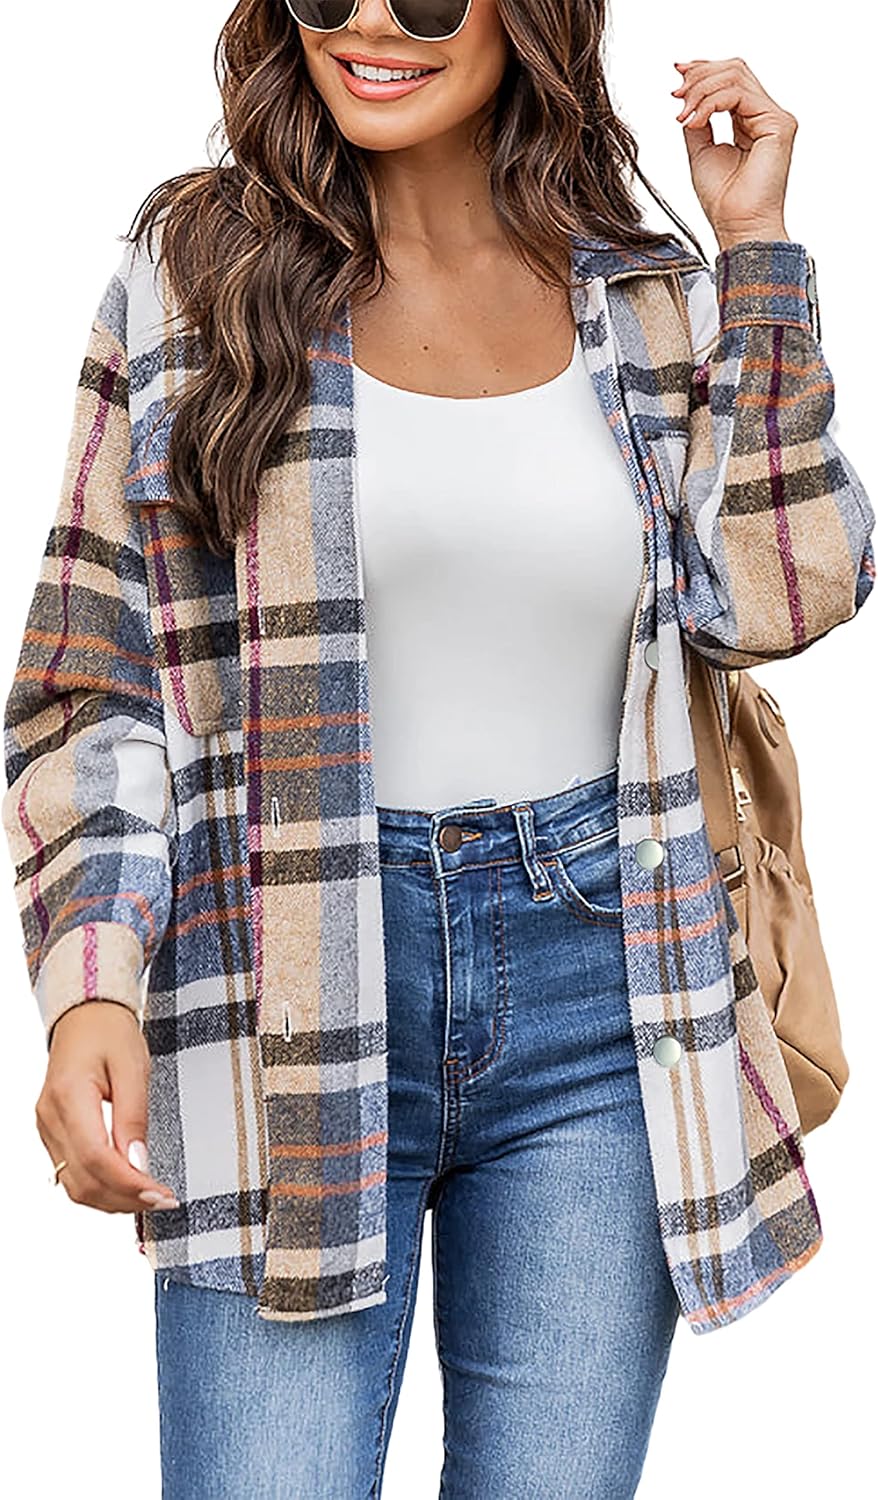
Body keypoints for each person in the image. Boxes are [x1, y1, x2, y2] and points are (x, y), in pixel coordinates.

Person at [3, 2, 874, 1496]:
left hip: (606, 992)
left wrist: (756, 256)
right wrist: (91, 980)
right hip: (282, 981)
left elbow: (784, 593)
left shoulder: (645, 295)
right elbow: (93, 679)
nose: (367, 23)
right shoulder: (195, 278)